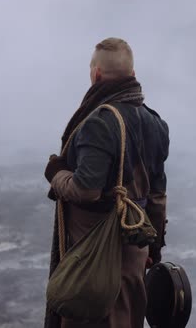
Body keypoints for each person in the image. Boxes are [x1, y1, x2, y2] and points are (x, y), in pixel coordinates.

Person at [43, 37, 170, 328]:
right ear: (133, 75)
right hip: (135, 250)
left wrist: (56, 173)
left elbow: (86, 190)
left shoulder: (98, 123)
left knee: (90, 318)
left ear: (96, 74)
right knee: (128, 316)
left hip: (93, 256)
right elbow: (158, 196)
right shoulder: (155, 123)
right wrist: (153, 248)